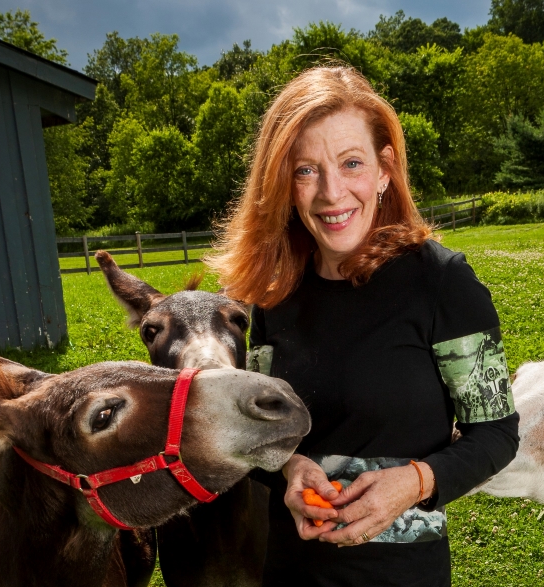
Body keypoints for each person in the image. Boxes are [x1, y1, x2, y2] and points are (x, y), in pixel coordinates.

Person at [208, 66, 519, 587]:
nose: (331, 193)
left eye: (351, 163)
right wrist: (288, 469)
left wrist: (415, 481)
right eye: (306, 170)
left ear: (384, 170)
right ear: (283, 183)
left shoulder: (443, 283)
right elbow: (260, 436)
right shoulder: (276, 294)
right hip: (291, 569)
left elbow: (498, 433)